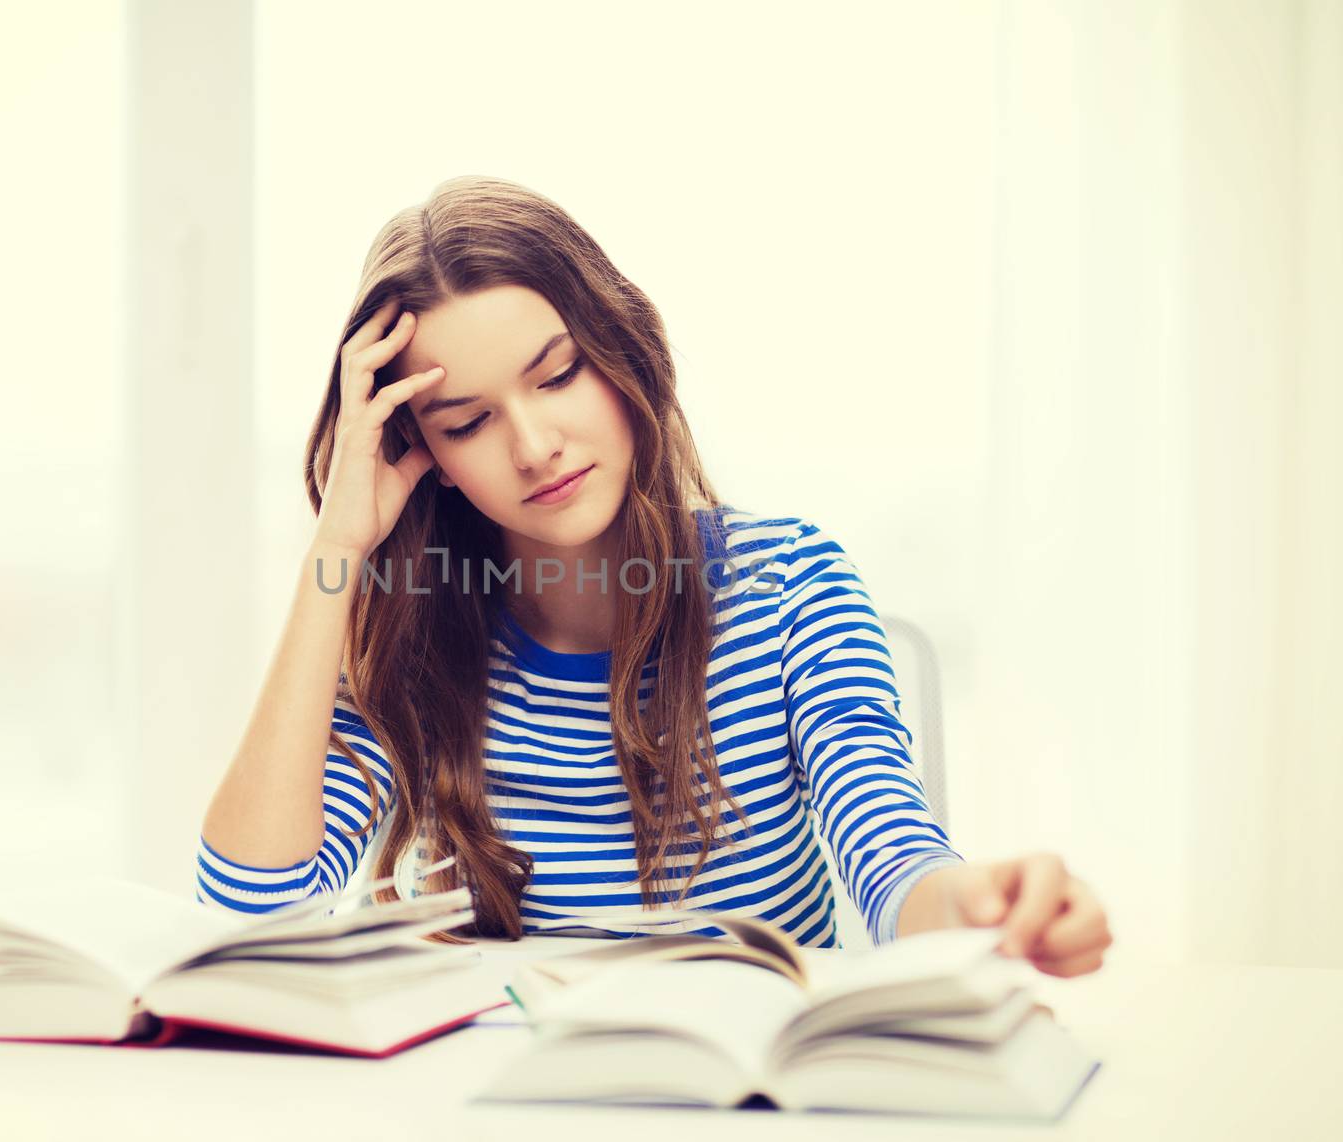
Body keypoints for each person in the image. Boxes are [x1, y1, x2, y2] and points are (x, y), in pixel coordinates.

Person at [197, 176, 1112, 978]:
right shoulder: (422, 635)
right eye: (467, 422)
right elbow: (250, 917)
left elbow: (891, 856)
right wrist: (338, 550)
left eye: (557, 375)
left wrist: (984, 909)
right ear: (420, 450)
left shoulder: (789, 585)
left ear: (622, 345)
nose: (533, 445)